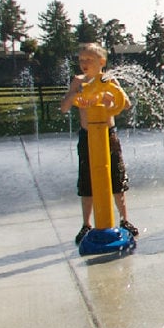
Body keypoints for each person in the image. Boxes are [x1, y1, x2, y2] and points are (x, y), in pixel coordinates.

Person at [59, 43, 139, 245]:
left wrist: (109, 98)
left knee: (116, 178)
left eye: (89, 60)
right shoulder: (78, 82)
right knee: (87, 181)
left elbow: (125, 103)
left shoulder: (108, 80)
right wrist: (75, 96)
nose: (84, 64)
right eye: (81, 60)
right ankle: (86, 224)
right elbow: (64, 107)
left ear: (101, 62)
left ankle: (124, 220)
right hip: (88, 136)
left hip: (107, 135)